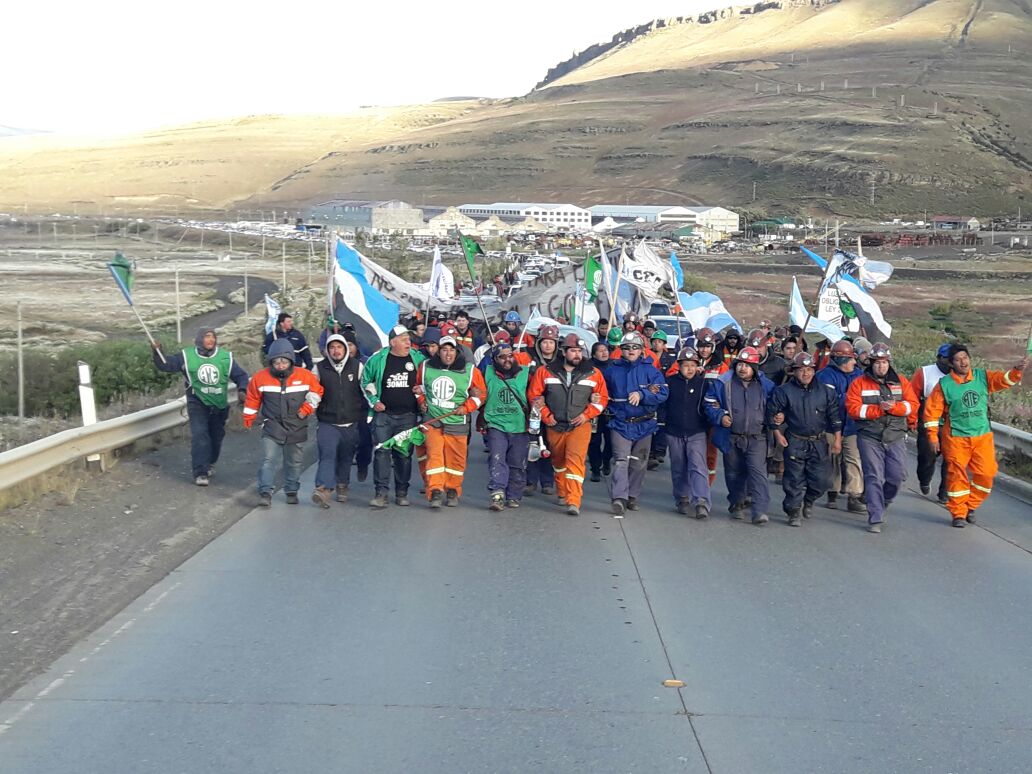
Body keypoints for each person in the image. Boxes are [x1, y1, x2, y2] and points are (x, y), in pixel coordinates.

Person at [923, 343, 1027, 528]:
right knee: (957, 477)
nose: (963, 362)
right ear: (951, 364)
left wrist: (1016, 371)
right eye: (958, 359)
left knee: (986, 474)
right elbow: (932, 412)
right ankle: (958, 514)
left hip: (982, 437)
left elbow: (1003, 380)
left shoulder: (982, 377)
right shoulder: (944, 385)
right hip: (956, 438)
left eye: (965, 358)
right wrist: (932, 437)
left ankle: (970, 505)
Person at [152, 327, 250, 486]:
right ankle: (200, 472)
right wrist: (158, 352)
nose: (210, 340)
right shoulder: (187, 356)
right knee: (200, 436)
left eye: (213, 337)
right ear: (199, 339)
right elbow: (167, 365)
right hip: (197, 402)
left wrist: (243, 389)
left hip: (219, 404)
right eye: (207, 337)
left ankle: (209, 462)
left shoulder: (226, 357)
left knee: (216, 437)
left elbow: (241, 376)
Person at [527, 333, 609, 516]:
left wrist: (587, 415)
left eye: (579, 351)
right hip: (555, 425)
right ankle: (562, 492)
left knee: (575, 460)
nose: (577, 354)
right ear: (564, 352)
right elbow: (534, 395)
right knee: (558, 460)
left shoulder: (594, 373)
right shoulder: (545, 371)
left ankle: (574, 500)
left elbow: (602, 399)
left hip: (580, 425)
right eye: (573, 351)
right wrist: (547, 416)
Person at [845, 343, 918, 533]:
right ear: (871, 363)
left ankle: (884, 500)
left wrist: (895, 408)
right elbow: (853, 408)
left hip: (895, 436)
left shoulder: (901, 382)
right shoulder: (859, 383)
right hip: (869, 436)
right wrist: (877, 410)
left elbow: (912, 405)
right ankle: (875, 516)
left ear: (889, 363)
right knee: (873, 476)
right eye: (877, 363)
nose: (881, 366)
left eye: (884, 362)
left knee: (896, 476)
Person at [242, 338, 323, 506]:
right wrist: (249, 417)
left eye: (284, 361)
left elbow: (317, 392)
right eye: (276, 361)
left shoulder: (305, 376)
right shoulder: (260, 378)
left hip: (297, 425)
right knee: (268, 460)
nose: (280, 365)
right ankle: (265, 492)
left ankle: (291, 490)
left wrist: (307, 408)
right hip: (272, 425)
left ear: (291, 361)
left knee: (293, 461)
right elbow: (252, 398)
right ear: (270, 361)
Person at [767, 352, 842, 527]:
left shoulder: (826, 392)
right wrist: (778, 435)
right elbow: (772, 414)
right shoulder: (783, 391)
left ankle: (809, 500)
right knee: (794, 479)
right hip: (795, 440)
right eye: (801, 370)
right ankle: (793, 511)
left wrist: (837, 440)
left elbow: (835, 417)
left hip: (819, 441)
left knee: (822, 480)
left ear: (814, 371)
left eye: (809, 370)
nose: (805, 373)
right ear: (794, 371)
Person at [705, 347, 775, 525]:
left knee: (758, 473)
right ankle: (736, 503)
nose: (742, 368)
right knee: (734, 473)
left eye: (747, 365)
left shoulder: (766, 385)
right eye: (740, 364)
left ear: (755, 367)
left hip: (757, 437)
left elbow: (776, 405)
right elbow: (710, 403)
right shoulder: (724, 382)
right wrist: (721, 416)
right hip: (732, 436)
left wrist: (777, 416)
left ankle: (760, 510)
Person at [415, 335, 487, 507]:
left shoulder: (470, 371)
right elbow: (418, 387)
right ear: (439, 351)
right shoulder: (425, 367)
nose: (448, 354)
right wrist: (421, 401)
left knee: (456, 459)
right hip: (433, 420)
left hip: (457, 422)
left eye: (451, 350)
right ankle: (435, 491)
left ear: (457, 351)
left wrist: (468, 407)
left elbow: (481, 394)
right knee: (434, 456)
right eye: (444, 350)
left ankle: (453, 489)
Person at [361, 325, 426, 508]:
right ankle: (381, 493)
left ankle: (401, 492)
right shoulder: (378, 359)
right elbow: (365, 381)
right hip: (384, 416)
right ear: (393, 342)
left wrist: (421, 389)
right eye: (404, 339)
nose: (408, 342)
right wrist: (374, 401)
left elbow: (428, 379)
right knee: (382, 453)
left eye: (409, 338)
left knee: (403, 455)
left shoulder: (417, 358)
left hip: (408, 416)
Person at [604, 332, 668, 516]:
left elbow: (663, 393)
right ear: (621, 350)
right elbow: (602, 392)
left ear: (641, 350)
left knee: (639, 463)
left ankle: (632, 495)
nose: (630, 350)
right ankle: (619, 498)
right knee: (621, 461)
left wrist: (643, 395)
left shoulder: (651, 371)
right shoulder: (612, 370)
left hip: (644, 423)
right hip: (620, 423)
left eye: (635, 347)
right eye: (626, 347)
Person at [311, 334, 366, 508]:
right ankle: (323, 488)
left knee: (346, 456)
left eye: (339, 347)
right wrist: (310, 405)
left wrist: (375, 402)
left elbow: (367, 389)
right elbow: (313, 391)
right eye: (332, 347)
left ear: (345, 348)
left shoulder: (357, 367)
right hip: (328, 421)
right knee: (327, 455)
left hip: (351, 422)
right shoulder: (319, 368)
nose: (336, 351)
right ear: (327, 350)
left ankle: (342, 484)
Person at [477, 342, 530, 510]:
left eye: (510, 355)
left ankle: (514, 495)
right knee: (497, 459)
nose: (507, 359)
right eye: (502, 357)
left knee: (517, 463)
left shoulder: (526, 373)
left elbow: (537, 393)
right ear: (494, 360)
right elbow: (476, 390)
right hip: (496, 425)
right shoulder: (487, 373)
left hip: (520, 426)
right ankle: (497, 493)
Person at [816, 339, 866, 514]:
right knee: (833, 460)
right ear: (841, 360)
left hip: (852, 426)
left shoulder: (859, 375)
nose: (854, 362)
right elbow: (829, 402)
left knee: (853, 459)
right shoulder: (824, 376)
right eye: (850, 358)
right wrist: (849, 398)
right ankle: (832, 492)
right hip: (830, 426)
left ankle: (854, 496)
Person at [665, 347, 711, 517]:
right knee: (678, 467)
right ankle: (682, 497)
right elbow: (662, 404)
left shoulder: (703, 384)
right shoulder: (669, 382)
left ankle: (701, 501)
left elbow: (709, 406)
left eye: (693, 365)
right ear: (679, 366)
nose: (690, 369)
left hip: (696, 432)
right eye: (686, 365)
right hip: (674, 431)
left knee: (698, 466)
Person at [520, 324, 560, 496]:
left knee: (551, 445)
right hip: (533, 409)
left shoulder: (561, 363)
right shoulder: (529, 359)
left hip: (554, 410)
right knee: (533, 444)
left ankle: (547, 481)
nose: (548, 346)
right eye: (545, 342)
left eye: (551, 342)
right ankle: (530, 481)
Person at [910, 343, 952, 503]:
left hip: (951, 422)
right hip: (928, 420)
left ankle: (945, 492)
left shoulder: (960, 374)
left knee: (951, 458)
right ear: (939, 358)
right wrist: (912, 419)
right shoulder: (924, 373)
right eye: (946, 359)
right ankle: (924, 479)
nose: (949, 363)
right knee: (927, 457)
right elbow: (912, 397)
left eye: (952, 359)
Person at [647, 330, 677, 469]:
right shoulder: (647, 356)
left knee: (662, 423)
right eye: (654, 341)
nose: (656, 344)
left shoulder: (670, 359)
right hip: (650, 394)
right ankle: (650, 452)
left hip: (665, 395)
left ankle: (659, 451)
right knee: (650, 421)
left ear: (664, 344)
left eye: (659, 341)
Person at [587, 341, 613, 482]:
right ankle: (595, 469)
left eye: (606, 350)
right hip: (594, 409)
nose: (604, 353)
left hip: (610, 409)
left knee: (610, 440)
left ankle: (607, 459)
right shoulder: (588, 367)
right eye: (600, 350)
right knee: (594, 441)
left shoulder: (614, 365)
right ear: (594, 354)